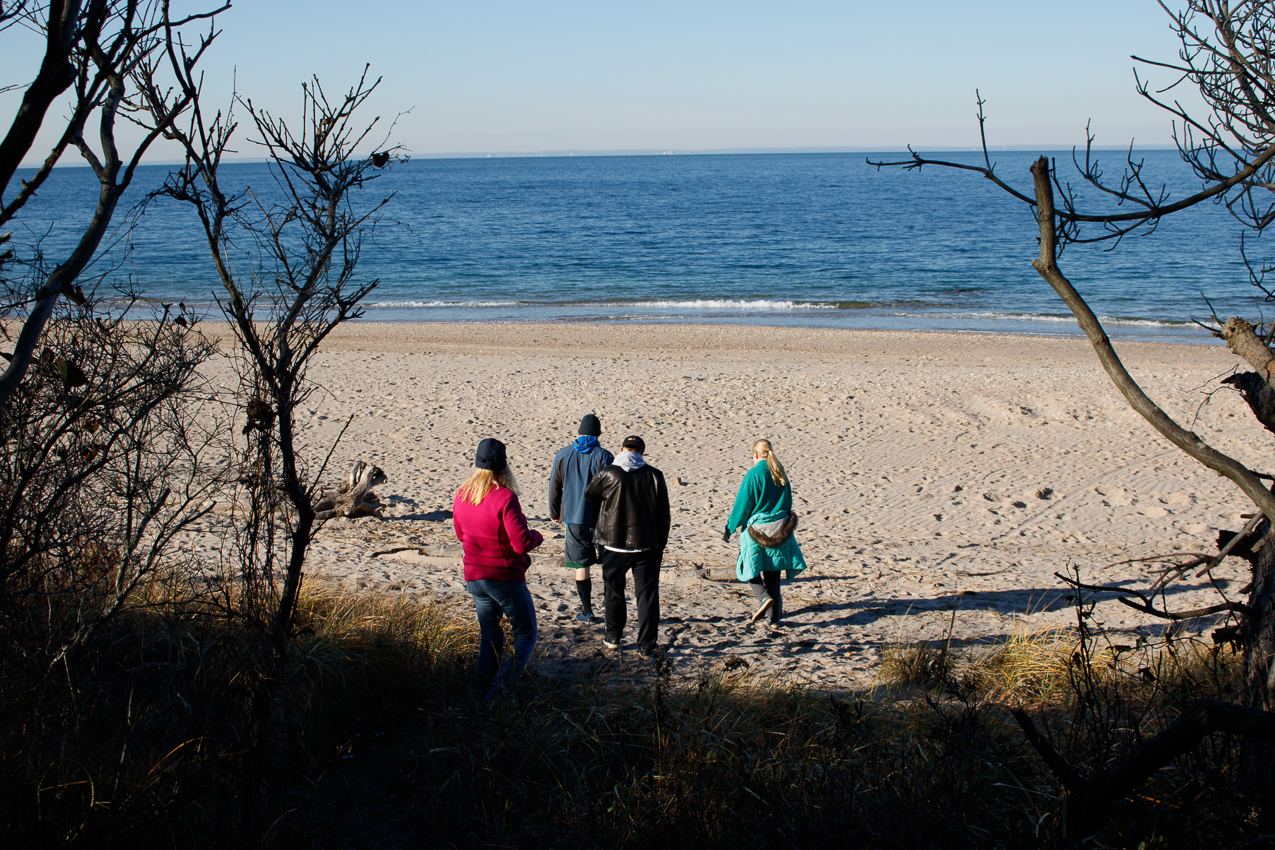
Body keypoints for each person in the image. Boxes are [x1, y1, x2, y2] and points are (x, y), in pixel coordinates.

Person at [453, 437, 544, 700]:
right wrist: (538, 535)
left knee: (490, 636)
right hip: (503, 576)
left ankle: (482, 693)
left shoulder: (462, 495)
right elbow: (521, 543)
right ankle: (499, 693)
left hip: (474, 576)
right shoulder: (505, 498)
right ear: (503, 466)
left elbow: (461, 534)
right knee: (526, 634)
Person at [583, 435, 670, 656]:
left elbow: (589, 495)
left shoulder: (607, 473)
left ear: (621, 449)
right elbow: (664, 516)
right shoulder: (654, 475)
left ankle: (613, 637)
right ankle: (647, 645)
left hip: (613, 545)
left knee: (614, 592)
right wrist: (660, 545)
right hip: (646, 546)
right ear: (641, 453)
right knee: (647, 595)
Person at [723, 438, 807, 626]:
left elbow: (742, 506)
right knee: (773, 573)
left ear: (755, 454)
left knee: (747, 567)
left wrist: (730, 528)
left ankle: (762, 597)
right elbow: (788, 502)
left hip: (757, 530)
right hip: (779, 528)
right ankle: (775, 619)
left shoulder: (754, 474)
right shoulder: (779, 472)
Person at [547, 413, 615, 623]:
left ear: (579, 432)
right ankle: (606, 600)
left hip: (574, 517)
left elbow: (555, 486)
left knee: (581, 565)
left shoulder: (564, 454)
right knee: (608, 561)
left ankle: (587, 612)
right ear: (598, 434)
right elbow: (613, 489)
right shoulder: (604, 455)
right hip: (601, 518)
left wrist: (554, 512)